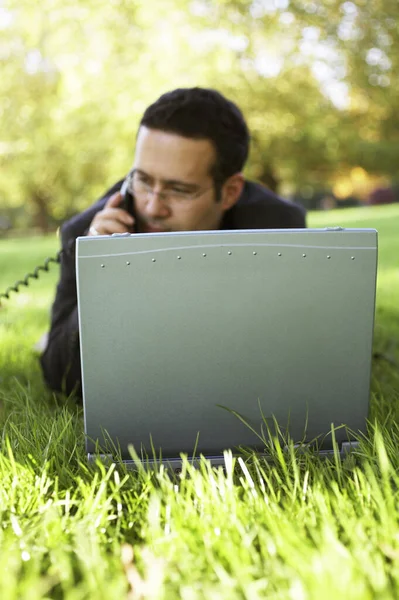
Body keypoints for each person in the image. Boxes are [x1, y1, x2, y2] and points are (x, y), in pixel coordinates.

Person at [40, 87, 306, 397]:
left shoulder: (278, 228)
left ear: (230, 192)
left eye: (178, 190)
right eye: (142, 180)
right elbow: (59, 378)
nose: (152, 207)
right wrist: (99, 277)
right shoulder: (89, 234)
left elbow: (294, 350)